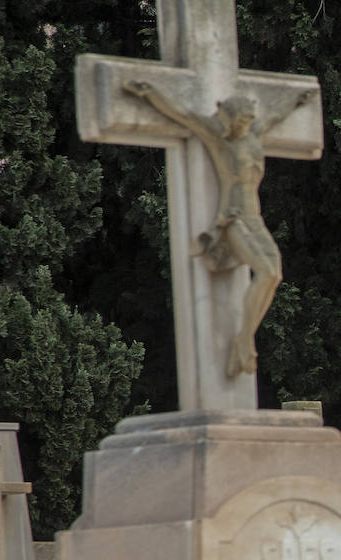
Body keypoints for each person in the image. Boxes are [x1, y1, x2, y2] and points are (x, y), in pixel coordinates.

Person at [124, 80, 313, 378]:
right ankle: (244, 341)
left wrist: (298, 100)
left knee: (274, 275)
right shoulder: (218, 138)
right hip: (233, 219)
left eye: (244, 122)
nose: (240, 127)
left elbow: (277, 114)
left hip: (255, 219)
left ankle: (244, 338)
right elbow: (183, 114)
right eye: (236, 121)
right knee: (266, 272)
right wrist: (151, 93)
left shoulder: (255, 134)